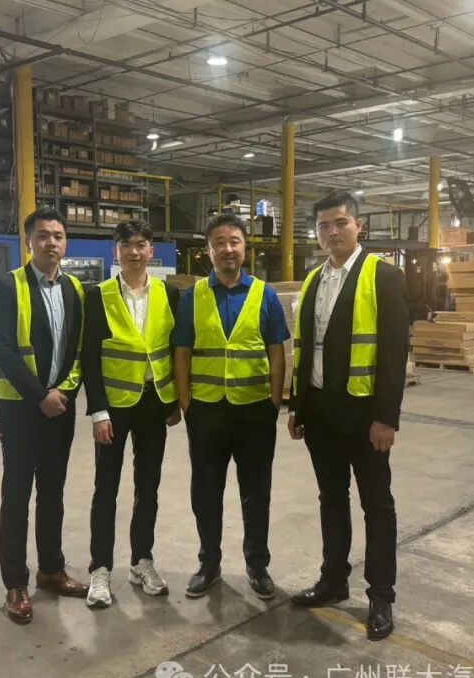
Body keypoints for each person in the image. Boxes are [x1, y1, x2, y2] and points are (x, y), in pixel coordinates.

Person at [288, 191, 409, 642]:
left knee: (377, 504)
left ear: (359, 226)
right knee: (331, 498)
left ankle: (381, 596)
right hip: (320, 412)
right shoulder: (312, 280)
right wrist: (298, 406)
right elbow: (305, 348)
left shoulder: (383, 276)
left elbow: (394, 352)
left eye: (340, 222)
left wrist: (386, 418)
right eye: (324, 226)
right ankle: (333, 580)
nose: (332, 232)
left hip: (364, 416)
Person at [173, 213, 289, 600]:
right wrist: (187, 403)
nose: (227, 249)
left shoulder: (264, 295)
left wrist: (275, 401)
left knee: (256, 492)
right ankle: (209, 564)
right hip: (206, 412)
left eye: (234, 241)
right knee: (206, 492)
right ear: (208, 251)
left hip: (255, 411)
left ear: (245, 247)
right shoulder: (193, 297)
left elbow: (276, 351)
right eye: (219, 243)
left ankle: (257, 565)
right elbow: (182, 352)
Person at [0, 207, 88, 624]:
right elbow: (4, 349)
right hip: (20, 410)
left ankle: (51, 569)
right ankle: (16, 582)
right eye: (44, 235)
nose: (52, 243)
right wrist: (39, 396)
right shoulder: (9, 286)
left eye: (58, 236)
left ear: (66, 243)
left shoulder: (75, 289)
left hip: (60, 410)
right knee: (16, 496)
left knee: (52, 493)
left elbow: (79, 348)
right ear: (29, 242)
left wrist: (65, 392)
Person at [81, 220, 181, 608]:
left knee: (148, 486)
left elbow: (174, 350)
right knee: (105, 488)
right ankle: (100, 569)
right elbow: (90, 356)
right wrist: (98, 412)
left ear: (151, 250)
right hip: (114, 407)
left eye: (141, 244)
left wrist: (173, 402)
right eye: (127, 245)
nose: (134, 252)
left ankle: (142, 561)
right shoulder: (99, 295)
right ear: (116, 251)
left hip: (154, 404)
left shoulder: (169, 294)